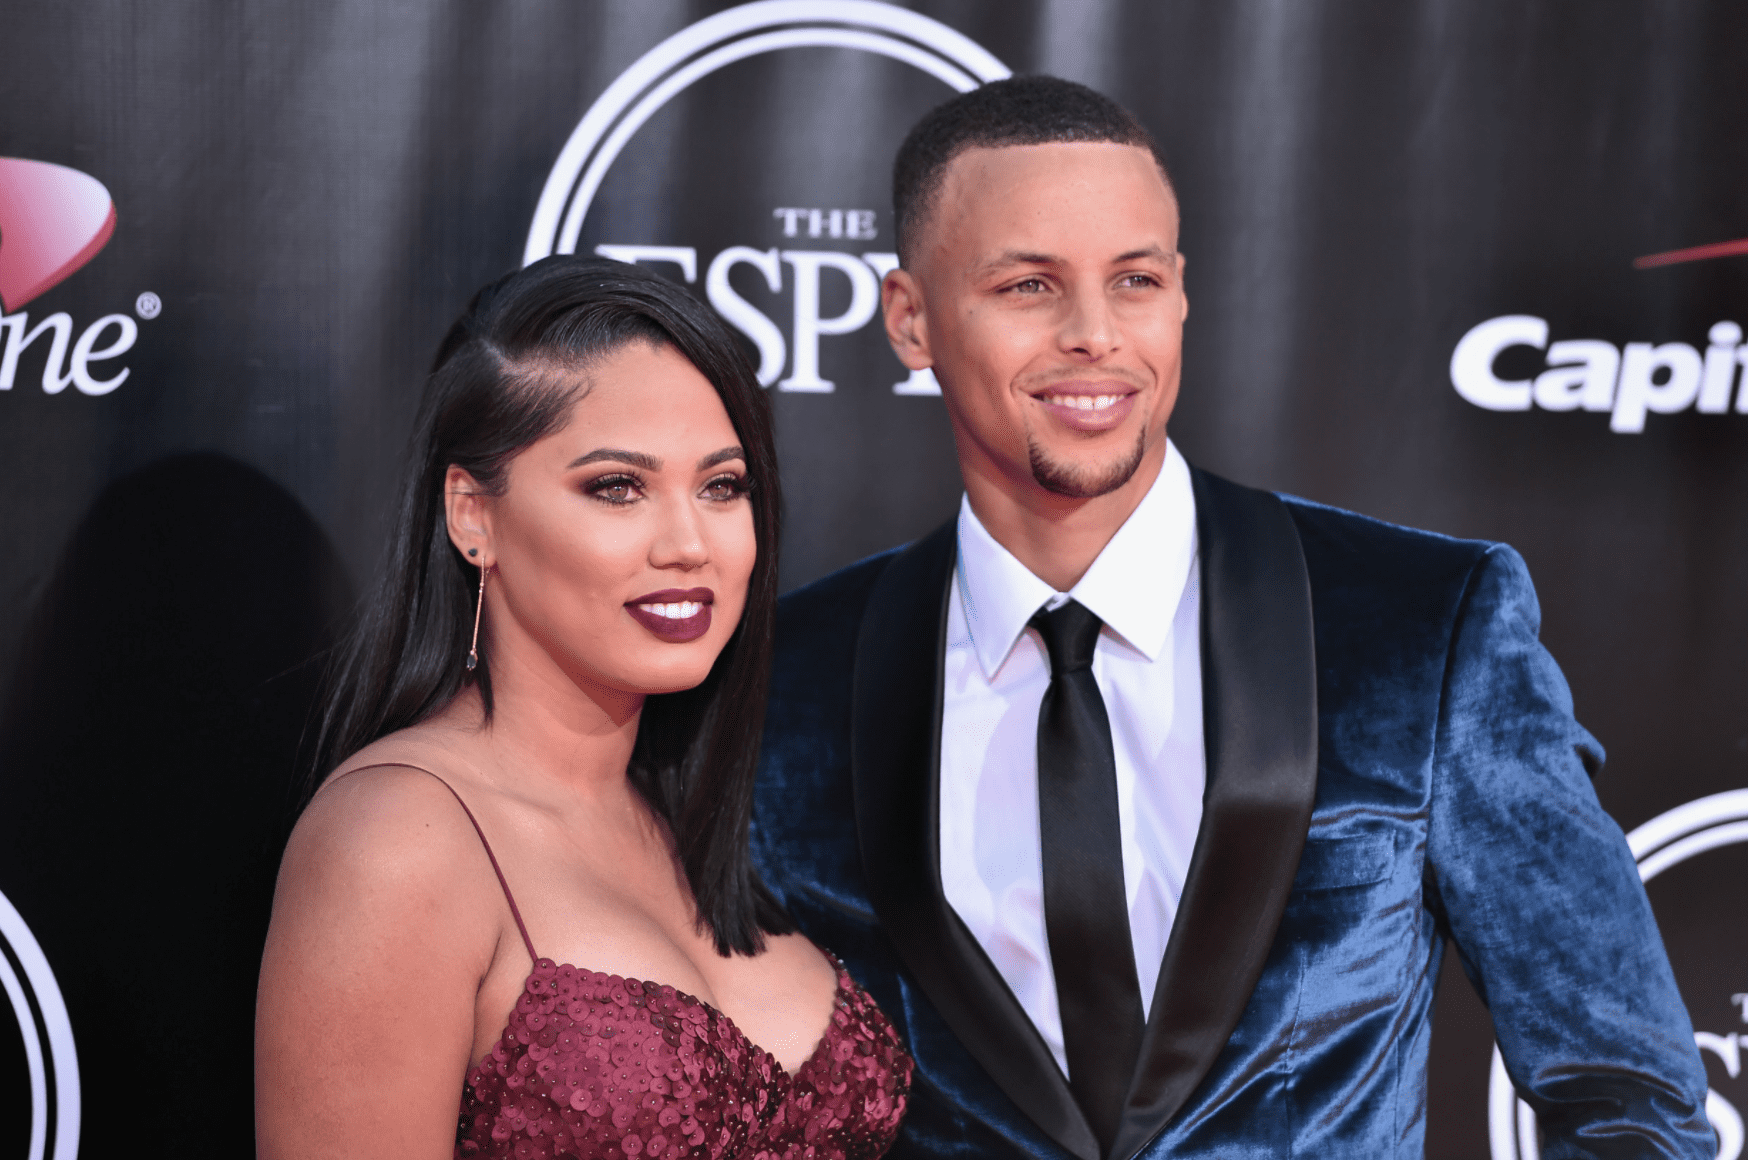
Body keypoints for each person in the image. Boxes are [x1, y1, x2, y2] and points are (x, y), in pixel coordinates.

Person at [750, 76, 1712, 1159]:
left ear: (1180, 295)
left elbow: (1628, 1099)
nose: (1093, 334)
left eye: (1134, 279)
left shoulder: (1421, 628)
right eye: (1027, 284)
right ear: (909, 319)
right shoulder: (792, 681)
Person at [255, 257, 912, 1160]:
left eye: (722, 486)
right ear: (472, 516)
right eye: (618, 487)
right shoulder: (398, 839)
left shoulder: (689, 805)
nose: (689, 544)